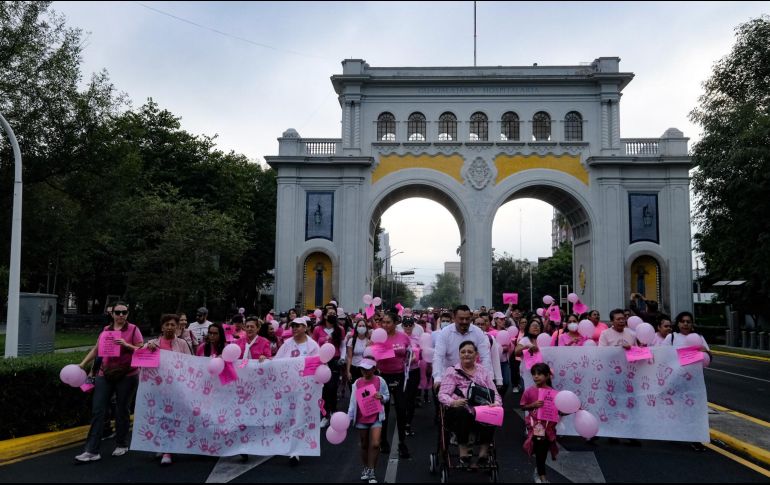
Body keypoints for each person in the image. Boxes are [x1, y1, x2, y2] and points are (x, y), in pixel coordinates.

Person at [75, 302, 144, 462]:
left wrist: (126, 345)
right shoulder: (106, 330)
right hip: (105, 373)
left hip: (127, 374)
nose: (121, 315)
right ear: (112, 314)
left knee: (122, 409)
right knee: (98, 410)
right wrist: (82, 364)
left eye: (124, 312)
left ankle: (121, 443)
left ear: (127, 314)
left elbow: (142, 350)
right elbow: (96, 349)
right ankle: (92, 450)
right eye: (118, 312)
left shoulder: (133, 329)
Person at [438, 340, 502, 468]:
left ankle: (483, 452)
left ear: (476, 355)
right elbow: (442, 395)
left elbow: (495, 392)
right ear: (459, 354)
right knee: (462, 411)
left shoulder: (483, 371)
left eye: (470, 352)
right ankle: (463, 450)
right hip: (460, 410)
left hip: (480, 409)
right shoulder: (452, 372)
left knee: (494, 412)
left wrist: (495, 404)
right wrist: (453, 402)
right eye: (463, 352)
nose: (466, 354)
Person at [144, 314, 192, 465]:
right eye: (167, 325)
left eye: (173, 325)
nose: (170, 327)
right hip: (158, 388)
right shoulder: (153, 343)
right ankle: (161, 443)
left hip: (176, 387)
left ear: (177, 327)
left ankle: (167, 451)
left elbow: (190, 363)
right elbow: (141, 359)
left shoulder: (183, 344)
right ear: (162, 327)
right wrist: (147, 349)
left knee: (171, 417)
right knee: (159, 416)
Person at [274, 317, 320, 465]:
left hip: (305, 389)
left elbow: (317, 365)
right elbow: (277, 362)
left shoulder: (312, 345)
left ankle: (296, 451)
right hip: (289, 388)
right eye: (293, 326)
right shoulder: (287, 344)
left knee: (300, 417)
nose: (294, 328)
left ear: (305, 328)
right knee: (289, 416)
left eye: (298, 326)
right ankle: (289, 445)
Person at [374, 311, 412, 458]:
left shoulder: (403, 336)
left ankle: (402, 442)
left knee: (402, 410)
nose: (385, 325)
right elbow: (372, 355)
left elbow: (409, 353)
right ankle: (383, 441)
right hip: (383, 377)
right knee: (384, 411)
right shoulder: (378, 336)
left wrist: (412, 357)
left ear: (395, 323)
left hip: (400, 376)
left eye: (388, 322)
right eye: (383, 322)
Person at [348, 358, 389, 484]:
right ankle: (366, 468)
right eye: (362, 369)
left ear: (374, 369)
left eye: (368, 369)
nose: (365, 371)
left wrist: (381, 397)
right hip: (361, 418)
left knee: (376, 444)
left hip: (376, 417)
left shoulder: (380, 381)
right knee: (364, 444)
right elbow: (352, 402)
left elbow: (387, 396)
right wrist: (348, 418)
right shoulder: (357, 383)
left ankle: (372, 471)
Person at [432, 305, 492, 389]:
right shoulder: (445, 333)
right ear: (454, 318)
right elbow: (438, 356)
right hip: (449, 378)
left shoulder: (478, 332)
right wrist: (437, 378)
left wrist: (487, 378)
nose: (464, 321)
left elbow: (485, 357)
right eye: (461, 318)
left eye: (467, 319)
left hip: (472, 379)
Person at [520, 363, 559, 484]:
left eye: (539, 374)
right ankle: (543, 477)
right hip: (536, 426)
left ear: (547, 376)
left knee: (543, 449)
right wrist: (532, 405)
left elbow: (560, 410)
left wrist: (574, 409)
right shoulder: (529, 391)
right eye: (534, 374)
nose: (536, 376)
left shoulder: (554, 393)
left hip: (549, 427)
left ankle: (538, 470)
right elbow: (522, 407)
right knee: (540, 448)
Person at [313, 307, 345, 426]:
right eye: (330, 313)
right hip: (321, 361)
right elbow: (314, 345)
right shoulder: (317, 329)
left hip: (335, 361)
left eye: (334, 313)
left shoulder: (340, 329)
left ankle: (333, 410)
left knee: (333, 386)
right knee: (324, 388)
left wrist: (342, 358)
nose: (332, 315)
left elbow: (342, 346)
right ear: (325, 316)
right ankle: (325, 414)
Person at [400, 317, 421, 436]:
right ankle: (402, 421)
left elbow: (419, 353)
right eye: (406, 325)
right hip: (401, 372)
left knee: (411, 398)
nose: (408, 327)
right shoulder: (399, 338)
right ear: (402, 326)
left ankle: (408, 423)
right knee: (402, 397)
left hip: (414, 371)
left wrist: (414, 358)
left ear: (413, 326)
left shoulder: (417, 339)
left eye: (410, 325)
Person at [347, 317, 371, 385]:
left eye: (363, 326)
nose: (361, 327)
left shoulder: (369, 341)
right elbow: (349, 357)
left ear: (366, 328)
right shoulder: (352, 341)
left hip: (365, 369)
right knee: (354, 390)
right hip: (354, 368)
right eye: (359, 326)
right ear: (356, 327)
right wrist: (348, 371)